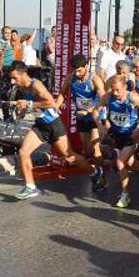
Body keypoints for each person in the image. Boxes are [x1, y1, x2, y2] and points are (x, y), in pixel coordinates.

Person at [7, 61, 101, 199]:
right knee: (23, 152)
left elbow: (51, 102)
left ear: (23, 74)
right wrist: (23, 110)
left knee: (69, 157)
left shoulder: (36, 85)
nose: (12, 81)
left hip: (53, 125)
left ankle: (94, 172)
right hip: (40, 125)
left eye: (15, 78)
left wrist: (30, 104)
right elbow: (32, 107)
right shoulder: (22, 88)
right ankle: (30, 187)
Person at [94, 74, 139, 208]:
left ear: (125, 87)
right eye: (112, 89)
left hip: (131, 136)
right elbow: (96, 110)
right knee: (133, 165)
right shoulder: (108, 96)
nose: (115, 93)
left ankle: (125, 195)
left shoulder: (133, 98)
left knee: (120, 162)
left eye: (117, 90)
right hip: (116, 135)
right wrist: (101, 126)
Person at [56, 54, 106, 191]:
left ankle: (102, 177)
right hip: (81, 117)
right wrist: (55, 108)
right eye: (75, 70)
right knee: (87, 150)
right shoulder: (70, 78)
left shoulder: (95, 79)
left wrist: (90, 110)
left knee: (95, 150)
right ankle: (105, 158)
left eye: (80, 70)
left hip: (95, 116)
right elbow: (62, 94)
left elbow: (103, 99)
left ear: (86, 67)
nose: (77, 73)